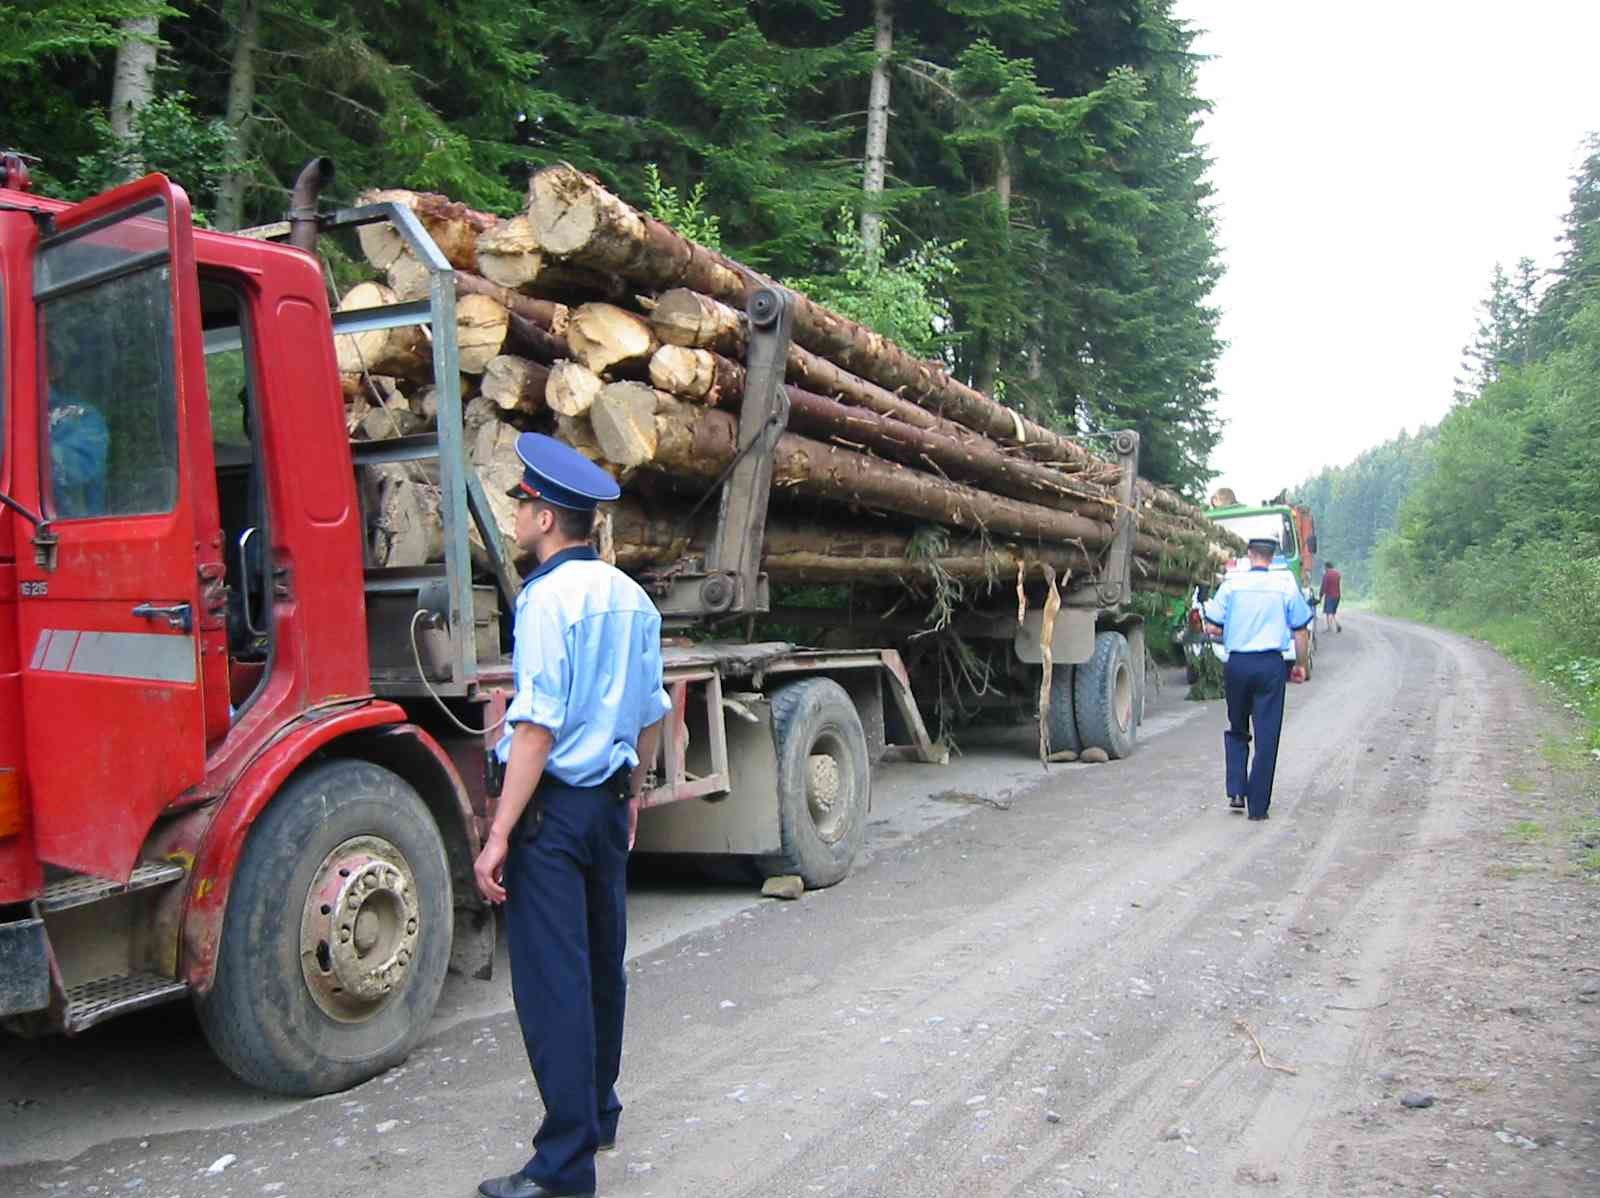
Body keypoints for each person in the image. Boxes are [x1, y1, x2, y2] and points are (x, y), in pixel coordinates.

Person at [473, 433, 670, 1198]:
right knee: (599, 967)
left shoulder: (545, 599)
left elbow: (536, 728)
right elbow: (651, 713)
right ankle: (598, 1112)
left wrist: (498, 834)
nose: (517, 515)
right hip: (608, 804)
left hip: (551, 815)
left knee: (553, 981)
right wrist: (634, 796)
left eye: (523, 504)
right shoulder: (632, 597)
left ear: (547, 518)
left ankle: (562, 1167)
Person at [1203, 536, 1312, 821]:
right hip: (1270, 665)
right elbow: (1301, 630)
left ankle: (1237, 790)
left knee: (1237, 727)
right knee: (1267, 735)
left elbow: (1212, 626)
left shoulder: (1232, 585)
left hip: (1238, 664)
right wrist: (1300, 665)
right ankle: (1258, 808)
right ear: (1272, 556)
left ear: (1250, 554)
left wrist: (1231, 629)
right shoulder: (1285, 585)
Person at [1321, 561, 1343, 633]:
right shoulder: (1338, 574)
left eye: (1325, 567)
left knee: (1329, 612)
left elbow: (1324, 586)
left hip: (1330, 595)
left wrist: (1321, 595)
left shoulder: (1326, 575)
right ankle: (1338, 624)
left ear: (1326, 567)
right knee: (1333, 612)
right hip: (1337, 595)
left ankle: (1329, 628)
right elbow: (1339, 584)